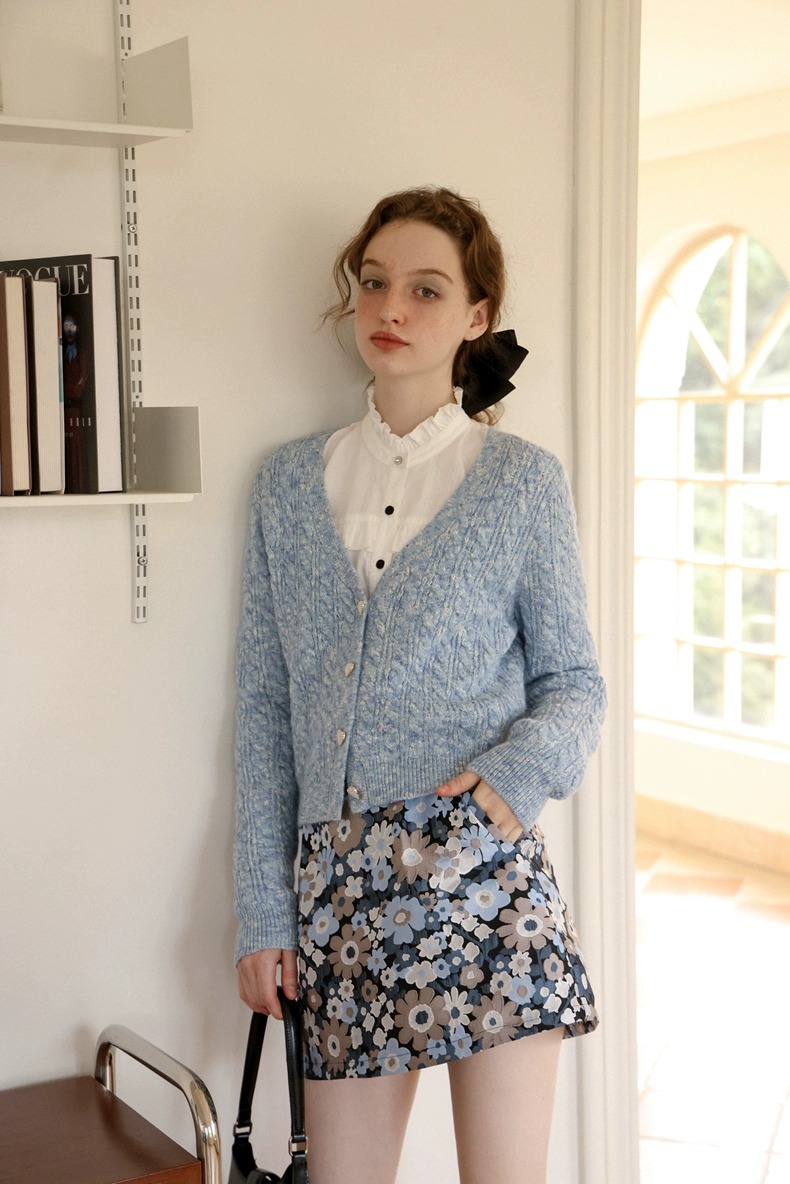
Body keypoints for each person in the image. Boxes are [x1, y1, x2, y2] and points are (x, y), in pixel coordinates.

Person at [234, 187, 606, 1184]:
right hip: (340, 897)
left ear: (477, 315)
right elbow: (265, 714)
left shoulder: (522, 481)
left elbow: (574, 682)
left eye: (426, 289)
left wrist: (514, 777)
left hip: (486, 882)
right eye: (374, 282)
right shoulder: (286, 485)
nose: (390, 307)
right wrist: (263, 913)